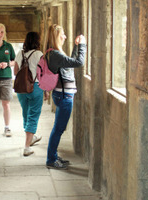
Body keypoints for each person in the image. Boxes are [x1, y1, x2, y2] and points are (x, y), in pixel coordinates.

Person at [45, 24, 87, 169]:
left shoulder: (55, 53)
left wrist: (76, 47)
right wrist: (83, 45)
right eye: (63, 34)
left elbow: (70, 64)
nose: (65, 37)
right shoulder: (55, 55)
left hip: (62, 94)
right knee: (58, 129)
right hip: (64, 96)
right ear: (56, 36)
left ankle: (53, 156)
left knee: (58, 128)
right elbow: (79, 63)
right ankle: (51, 159)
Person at [14, 32, 43, 156]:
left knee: (26, 113)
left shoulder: (19, 54)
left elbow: (15, 72)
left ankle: (32, 137)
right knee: (33, 115)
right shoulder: (39, 54)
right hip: (35, 87)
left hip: (21, 88)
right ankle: (27, 147)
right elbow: (43, 75)